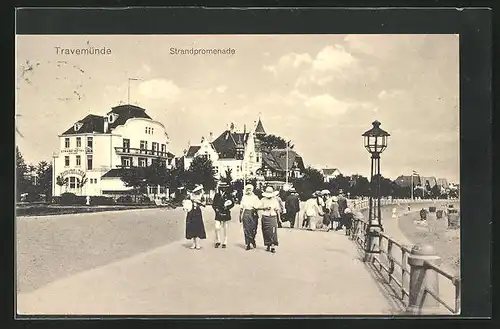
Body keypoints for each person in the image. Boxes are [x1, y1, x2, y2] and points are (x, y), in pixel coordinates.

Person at [239, 184, 262, 250]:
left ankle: (252, 239)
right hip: (246, 213)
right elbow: (241, 207)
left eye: (250, 189)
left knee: (253, 229)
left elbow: (259, 205)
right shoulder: (244, 197)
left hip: (253, 213)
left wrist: (257, 208)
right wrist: (240, 216)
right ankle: (247, 244)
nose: (248, 190)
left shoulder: (255, 197)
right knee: (246, 229)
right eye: (247, 189)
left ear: (252, 190)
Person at [184, 184, 207, 250]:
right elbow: (185, 202)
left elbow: (204, 204)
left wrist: (198, 202)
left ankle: (197, 243)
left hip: (197, 212)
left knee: (198, 227)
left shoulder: (201, 195)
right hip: (191, 212)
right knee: (191, 227)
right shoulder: (190, 195)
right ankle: (193, 243)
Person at [259, 186, 282, 253]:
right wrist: (265, 208)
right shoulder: (263, 200)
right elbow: (259, 207)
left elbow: (277, 210)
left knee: (273, 231)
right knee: (266, 231)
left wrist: (279, 219)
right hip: (265, 216)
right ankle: (268, 244)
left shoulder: (275, 200)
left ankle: (273, 245)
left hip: (273, 216)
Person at [212, 184, 235, 248]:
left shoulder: (228, 195)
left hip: (225, 213)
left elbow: (232, 204)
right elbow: (213, 204)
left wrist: (227, 207)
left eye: (225, 187)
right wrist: (216, 209)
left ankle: (225, 241)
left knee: (225, 228)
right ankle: (218, 241)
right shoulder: (217, 195)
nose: (223, 188)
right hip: (218, 213)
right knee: (217, 227)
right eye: (222, 187)